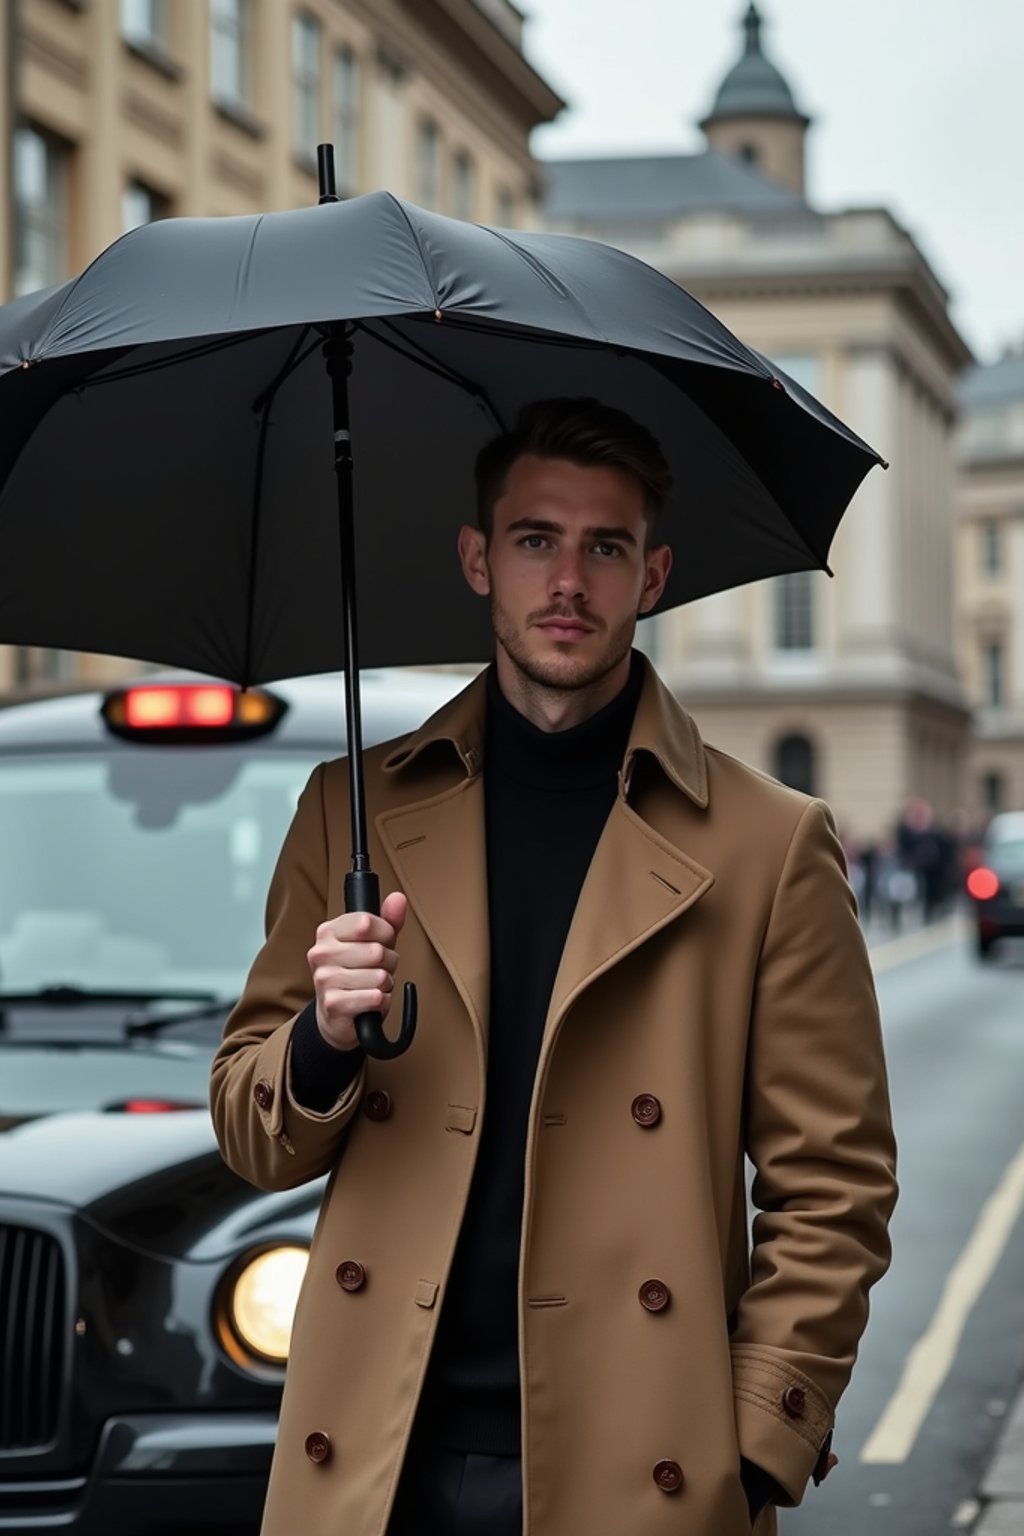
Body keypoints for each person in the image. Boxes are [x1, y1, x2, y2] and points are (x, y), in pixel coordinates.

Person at [210, 398, 898, 1536]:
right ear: (479, 559)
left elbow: (835, 1186)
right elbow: (249, 1132)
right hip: (379, 1468)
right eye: (535, 539)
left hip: (640, 1477)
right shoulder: (354, 808)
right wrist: (322, 1040)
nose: (567, 580)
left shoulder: (768, 843)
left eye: (605, 546)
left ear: (655, 573)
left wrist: (754, 1444)